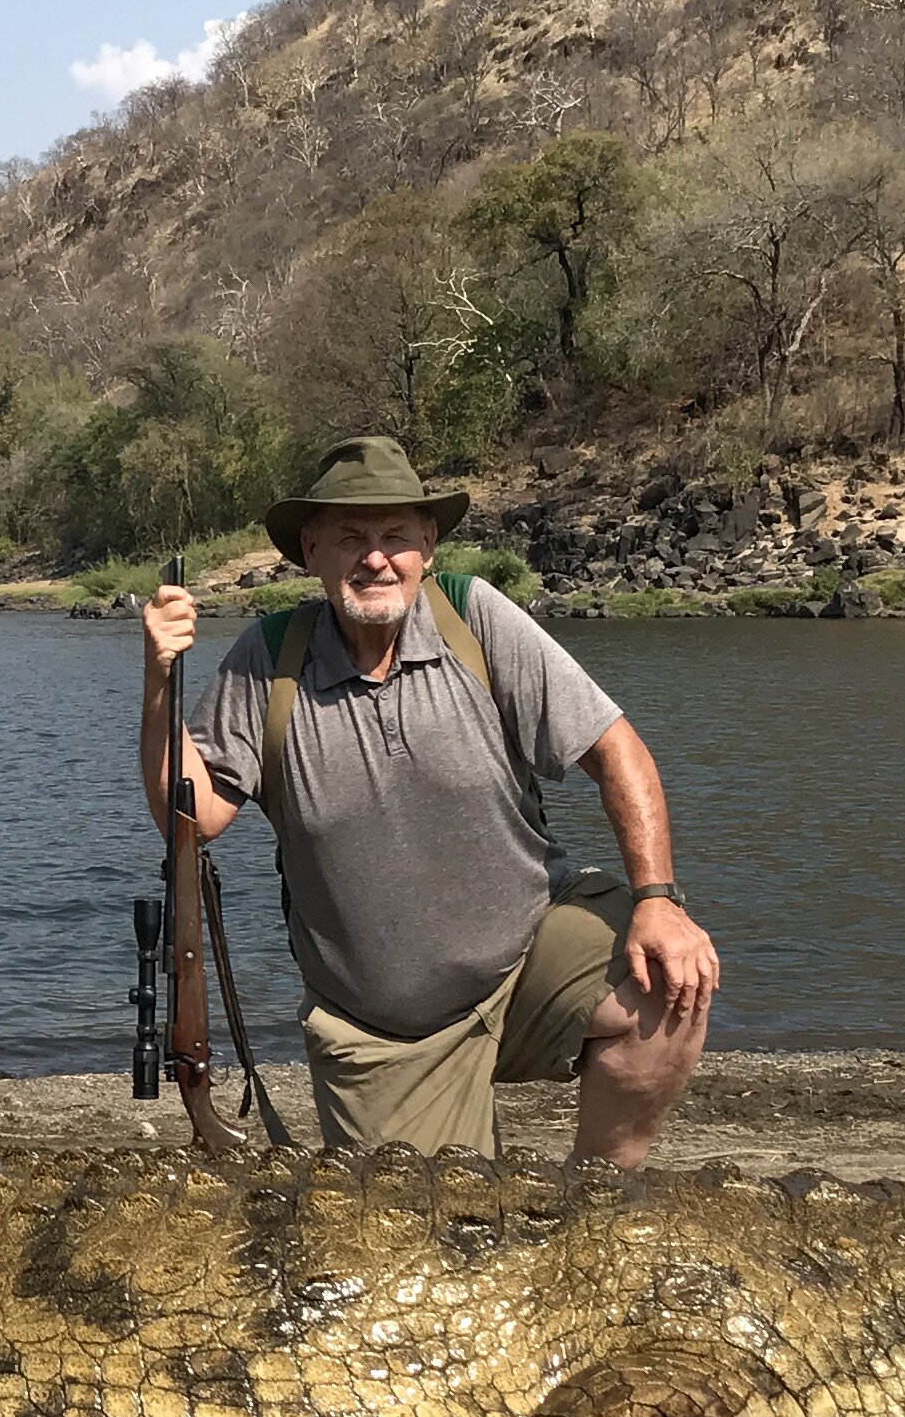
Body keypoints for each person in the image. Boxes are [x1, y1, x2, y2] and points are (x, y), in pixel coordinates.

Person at [139, 434, 717, 1166]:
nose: (375, 558)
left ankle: (600, 1197)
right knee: (421, 1236)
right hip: (384, 1028)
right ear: (310, 550)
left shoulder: (476, 620)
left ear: (428, 546)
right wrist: (160, 682)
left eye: (395, 536)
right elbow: (193, 819)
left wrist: (658, 899)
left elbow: (617, 752)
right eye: (350, 537)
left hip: (526, 955)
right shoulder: (267, 657)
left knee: (668, 981)